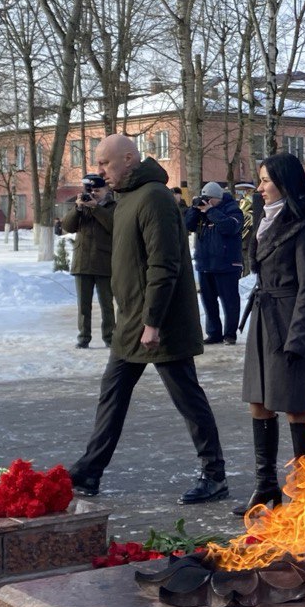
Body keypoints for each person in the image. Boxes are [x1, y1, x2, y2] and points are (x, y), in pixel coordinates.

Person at [67, 134, 228, 505]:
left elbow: (163, 263)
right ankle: (89, 470)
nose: (100, 171)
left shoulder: (154, 196)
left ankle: (215, 474)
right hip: (132, 321)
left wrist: (153, 322)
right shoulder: (126, 197)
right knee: (112, 395)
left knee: (187, 398)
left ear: (128, 159)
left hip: (160, 322)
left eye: (105, 163)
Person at [234, 152, 305, 516]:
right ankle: (266, 485)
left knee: (296, 406)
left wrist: (298, 337)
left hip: (291, 321)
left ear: (285, 184)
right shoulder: (265, 219)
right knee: (259, 401)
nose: (259, 188)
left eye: (265, 181)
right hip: (264, 316)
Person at [60, 173, 115, 350]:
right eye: (90, 190)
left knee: (107, 304)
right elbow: (67, 227)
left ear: (106, 190)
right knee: (83, 306)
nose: (93, 193)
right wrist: (77, 208)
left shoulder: (113, 206)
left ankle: (110, 337)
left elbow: (113, 226)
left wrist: (96, 208)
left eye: (97, 190)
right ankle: (84, 337)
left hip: (104, 262)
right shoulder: (82, 206)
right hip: (82, 262)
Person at [184, 181, 244, 345]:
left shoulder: (232, 209)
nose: (207, 202)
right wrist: (194, 209)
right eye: (205, 199)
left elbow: (229, 227)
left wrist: (211, 211)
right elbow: (187, 225)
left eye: (210, 199)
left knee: (230, 302)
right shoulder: (201, 212)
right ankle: (214, 333)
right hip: (205, 264)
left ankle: (230, 334)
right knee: (209, 302)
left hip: (227, 264)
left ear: (218, 198)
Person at [235, 180, 257, 276]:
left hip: (247, 239)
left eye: (248, 191)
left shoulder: (252, 211)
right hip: (243, 239)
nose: (246, 193)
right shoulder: (243, 204)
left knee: (247, 260)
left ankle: (247, 275)